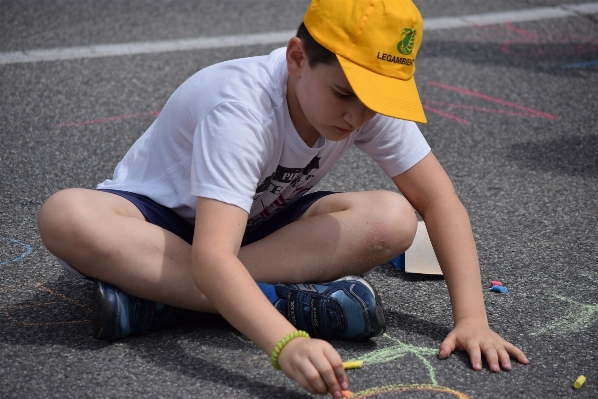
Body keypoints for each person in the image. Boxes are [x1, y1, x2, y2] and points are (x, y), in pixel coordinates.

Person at [37, 0, 529, 397]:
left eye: (374, 100)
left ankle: (162, 300)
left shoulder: (362, 98)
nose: (357, 117)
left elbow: (441, 202)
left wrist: (471, 320)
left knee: (394, 218)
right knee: (66, 215)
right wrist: (286, 343)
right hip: (157, 230)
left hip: (248, 233)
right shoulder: (241, 109)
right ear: (296, 58)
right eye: (344, 95)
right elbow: (211, 256)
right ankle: (276, 303)